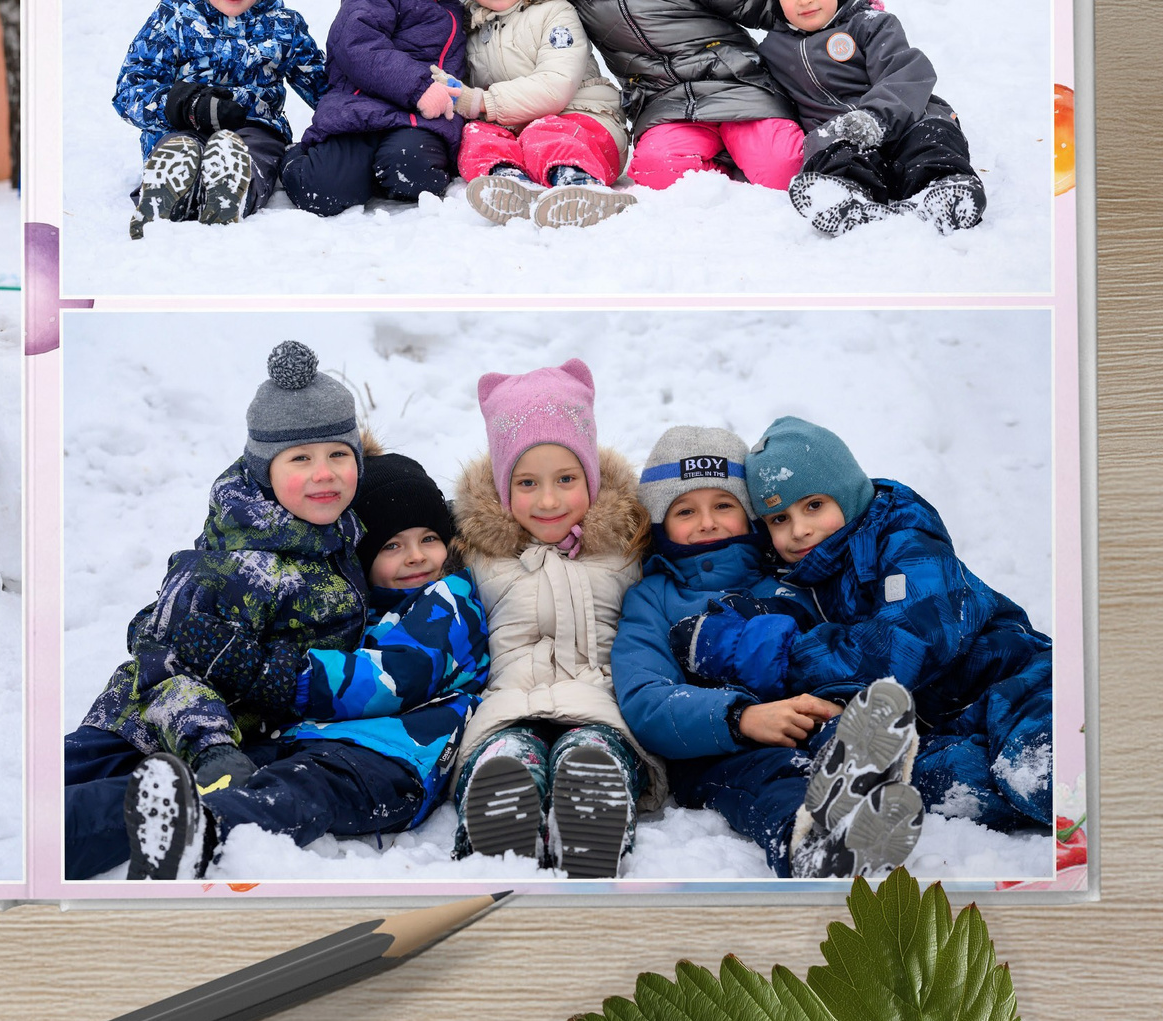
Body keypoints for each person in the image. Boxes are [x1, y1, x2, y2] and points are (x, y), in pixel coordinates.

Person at [63, 342, 370, 880]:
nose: (325, 473)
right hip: (146, 725)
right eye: (300, 459)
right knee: (86, 806)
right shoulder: (234, 566)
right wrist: (210, 745)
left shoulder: (331, 538)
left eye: (338, 454)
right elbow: (162, 662)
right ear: (263, 468)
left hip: (234, 734)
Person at [670, 417, 1054, 846]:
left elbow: (906, 647)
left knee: (1035, 771)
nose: (799, 530)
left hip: (1015, 684)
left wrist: (780, 655)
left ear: (849, 493)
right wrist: (719, 641)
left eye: (814, 505)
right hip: (940, 731)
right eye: (779, 518)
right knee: (929, 784)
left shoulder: (903, 536)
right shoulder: (802, 582)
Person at [122, 452, 489, 879]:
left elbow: (396, 676)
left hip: (394, 760)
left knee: (303, 789)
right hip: (312, 739)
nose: (416, 556)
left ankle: (198, 834)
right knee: (237, 771)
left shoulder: (450, 600)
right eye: (392, 545)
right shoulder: (366, 609)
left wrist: (278, 674)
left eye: (429, 538)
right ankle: (105, 820)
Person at [613, 425, 925, 878]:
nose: (707, 522)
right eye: (685, 510)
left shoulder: (793, 573)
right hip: (720, 750)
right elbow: (645, 698)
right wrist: (739, 718)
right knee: (778, 775)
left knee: (866, 747)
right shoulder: (653, 597)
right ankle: (808, 844)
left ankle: (869, 798)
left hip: (818, 721)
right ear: (660, 523)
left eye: (724, 504)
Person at [448, 359, 662, 878]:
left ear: (590, 474)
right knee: (503, 755)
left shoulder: (628, 545)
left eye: (566, 478)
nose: (548, 500)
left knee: (593, 754)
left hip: (600, 704)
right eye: (526, 483)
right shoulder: (475, 552)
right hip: (506, 704)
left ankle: (592, 813)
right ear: (502, 488)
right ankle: (500, 813)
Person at [542, 0, 805, 194]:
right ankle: (726, 167)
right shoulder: (581, 6)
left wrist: (841, 6)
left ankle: (757, 154)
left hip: (739, 89)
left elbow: (759, 1)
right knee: (657, 173)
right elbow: (533, 26)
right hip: (668, 108)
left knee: (784, 168)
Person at [758, 0, 986, 237]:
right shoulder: (772, 51)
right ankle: (847, 198)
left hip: (904, 119)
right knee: (834, 155)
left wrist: (876, 117)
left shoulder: (869, 24)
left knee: (932, 135)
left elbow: (906, 71)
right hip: (843, 136)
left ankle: (944, 189)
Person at [113, 0, 326, 237]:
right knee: (182, 145)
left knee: (249, 153)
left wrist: (364, 120)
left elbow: (325, 89)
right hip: (182, 124)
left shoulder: (283, 27)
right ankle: (169, 192)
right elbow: (130, 89)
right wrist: (182, 104)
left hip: (254, 129)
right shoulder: (175, 19)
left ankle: (231, 191)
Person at [281, 0, 469, 218]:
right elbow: (356, 43)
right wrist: (419, 87)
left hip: (416, 122)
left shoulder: (454, 8)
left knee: (413, 173)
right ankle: (301, 160)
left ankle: (380, 168)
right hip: (361, 109)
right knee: (321, 191)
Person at [452, 0, 633, 229]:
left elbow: (556, 86)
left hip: (589, 125)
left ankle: (581, 183)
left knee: (545, 132)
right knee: (476, 135)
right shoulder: (470, 30)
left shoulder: (553, 12)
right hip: (524, 139)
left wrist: (482, 101)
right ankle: (507, 182)